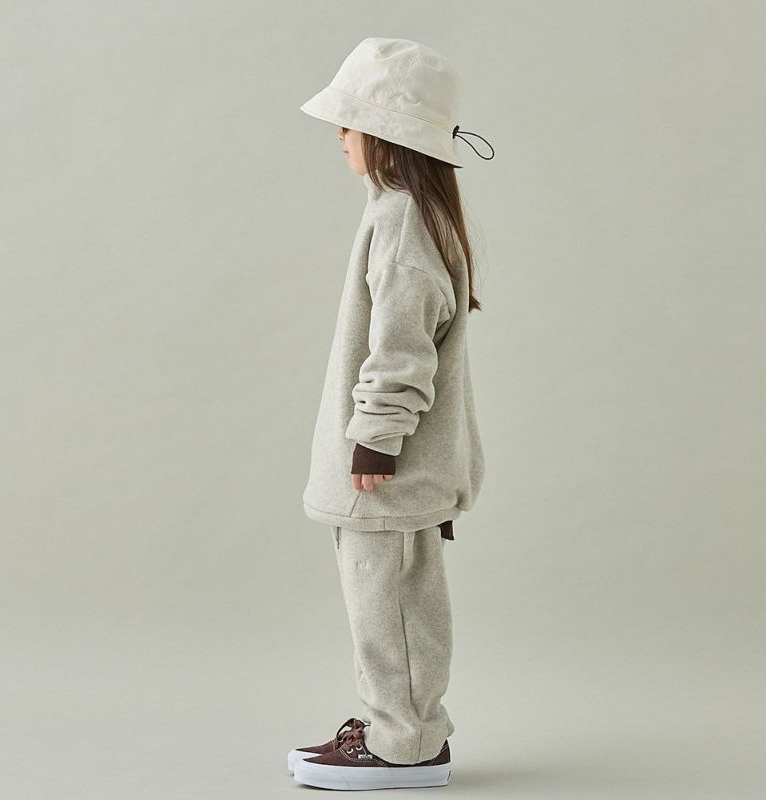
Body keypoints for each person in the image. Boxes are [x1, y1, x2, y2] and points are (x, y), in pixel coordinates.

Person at [289, 37, 494, 791]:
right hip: (403, 465)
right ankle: (397, 728)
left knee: (392, 607)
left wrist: (376, 439)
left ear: (388, 134)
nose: (340, 135)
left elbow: (403, 348)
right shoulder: (405, 211)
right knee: (391, 605)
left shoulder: (403, 218)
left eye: (351, 121)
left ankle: (403, 746)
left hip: (392, 469)